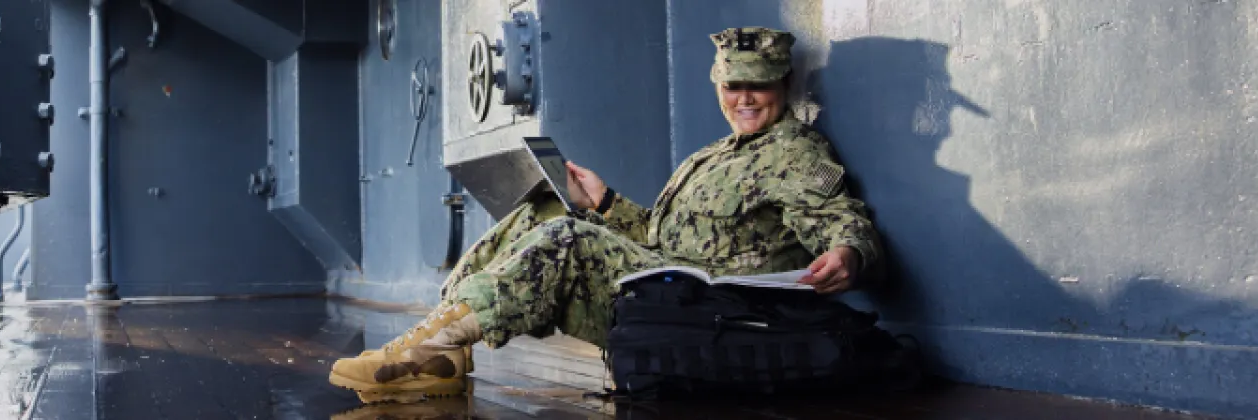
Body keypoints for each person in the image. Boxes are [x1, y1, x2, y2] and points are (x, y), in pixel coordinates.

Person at [327, 27, 883, 403]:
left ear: (781, 84)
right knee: (551, 206)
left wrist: (849, 252)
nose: (743, 97)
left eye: (757, 85)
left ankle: (432, 350)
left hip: (708, 312)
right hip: (666, 290)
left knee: (570, 235)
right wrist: (607, 204)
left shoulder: (795, 151)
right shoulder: (711, 155)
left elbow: (838, 215)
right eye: (732, 84)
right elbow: (665, 239)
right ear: (718, 84)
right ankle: (443, 348)